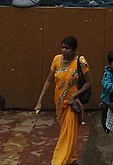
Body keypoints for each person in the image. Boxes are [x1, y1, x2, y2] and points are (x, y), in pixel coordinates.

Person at [35, 36, 93, 165]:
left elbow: (89, 82)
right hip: (59, 103)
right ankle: (72, 158)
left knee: (66, 135)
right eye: (63, 47)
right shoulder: (56, 59)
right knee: (66, 132)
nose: (64, 50)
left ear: (74, 50)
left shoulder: (80, 62)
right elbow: (49, 80)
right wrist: (40, 100)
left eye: (67, 48)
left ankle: (58, 161)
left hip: (73, 105)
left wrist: (75, 95)